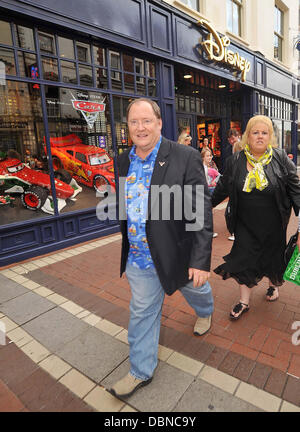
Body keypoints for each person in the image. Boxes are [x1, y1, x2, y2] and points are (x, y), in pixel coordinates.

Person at [110, 98, 214, 398]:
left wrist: (199, 259)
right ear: (127, 127)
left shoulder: (185, 156)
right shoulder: (122, 160)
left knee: (196, 290)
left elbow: (200, 211)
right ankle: (140, 371)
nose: (140, 127)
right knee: (142, 312)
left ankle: (206, 310)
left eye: (146, 121)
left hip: (176, 254)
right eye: (134, 122)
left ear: (159, 123)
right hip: (139, 259)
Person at [211, 114, 300, 320]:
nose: (260, 136)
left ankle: (272, 287)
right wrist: (201, 208)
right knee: (244, 259)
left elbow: (296, 192)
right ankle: (244, 302)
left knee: (272, 257)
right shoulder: (235, 161)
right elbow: (221, 189)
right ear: (247, 137)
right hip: (245, 224)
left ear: (270, 137)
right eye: (255, 132)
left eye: (264, 132)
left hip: (274, 223)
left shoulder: (281, 159)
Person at [201, 148, 220, 239]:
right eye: (207, 156)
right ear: (203, 157)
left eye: (210, 156)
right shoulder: (203, 167)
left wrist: (213, 182)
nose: (210, 157)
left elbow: (219, 176)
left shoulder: (208, 167)